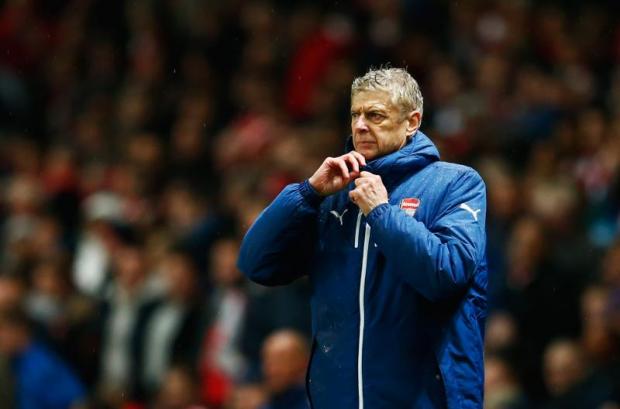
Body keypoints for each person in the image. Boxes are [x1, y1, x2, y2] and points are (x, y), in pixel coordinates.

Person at [238, 67, 488, 408]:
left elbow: (446, 273)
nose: (359, 126)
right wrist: (307, 194)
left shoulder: (455, 183)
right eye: (355, 115)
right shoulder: (334, 197)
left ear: (412, 122)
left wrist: (382, 212)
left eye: (375, 115)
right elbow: (257, 264)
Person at [260, 330, 309, 409]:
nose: (272, 370)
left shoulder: (316, 403)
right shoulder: (266, 405)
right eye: (268, 362)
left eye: (280, 361)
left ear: (303, 363)